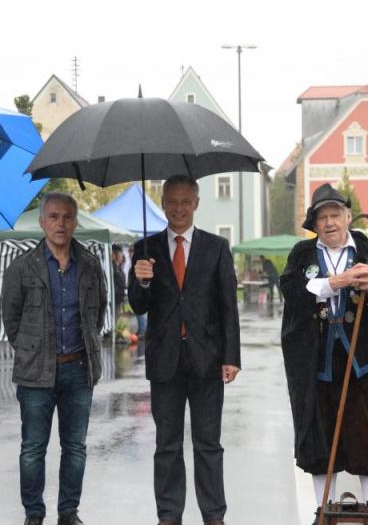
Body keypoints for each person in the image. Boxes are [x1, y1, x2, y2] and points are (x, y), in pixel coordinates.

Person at [279, 183, 368, 525]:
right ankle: (325, 510)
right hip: (318, 361)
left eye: (336, 214)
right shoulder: (302, 254)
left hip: (363, 361)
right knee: (320, 435)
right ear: (314, 224)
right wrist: (334, 283)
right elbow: (291, 291)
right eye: (323, 217)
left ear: (348, 217)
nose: (330, 222)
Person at [128, 175, 241, 525]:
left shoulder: (216, 247)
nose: (178, 208)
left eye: (185, 201)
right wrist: (142, 279)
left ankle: (213, 515)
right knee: (167, 445)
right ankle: (169, 515)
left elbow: (227, 306)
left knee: (209, 444)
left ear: (196, 203)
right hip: (165, 362)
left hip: (206, 360)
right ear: (162, 203)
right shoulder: (145, 249)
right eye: (172, 201)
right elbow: (138, 306)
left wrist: (231, 357)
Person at [1, 192, 107, 525]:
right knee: (33, 448)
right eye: (53, 217)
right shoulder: (22, 266)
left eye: (67, 217)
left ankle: (68, 511)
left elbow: (98, 312)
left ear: (75, 221)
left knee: (75, 447)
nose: (60, 223)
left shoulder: (89, 264)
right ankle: (34, 513)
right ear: (42, 221)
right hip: (36, 374)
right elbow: (11, 318)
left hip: (79, 369)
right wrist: (32, 351)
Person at [111, 244, 127, 319]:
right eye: (120, 253)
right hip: (115, 300)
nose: (122, 256)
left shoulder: (118, 267)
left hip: (119, 299)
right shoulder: (112, 268)